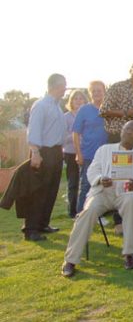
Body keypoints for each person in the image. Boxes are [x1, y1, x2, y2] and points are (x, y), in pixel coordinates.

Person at [61, 121, 133, 277]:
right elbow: (92, 171)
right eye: (125, 129)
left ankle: (129, 255)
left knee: (131, 202)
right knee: (88, 211)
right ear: (121, 132)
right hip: (103, 192)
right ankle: (70, 260)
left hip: (126, 193)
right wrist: (100, 178)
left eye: (132, 130)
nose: (127, 132)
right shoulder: (104, 150)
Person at [24, 73, 67, 241]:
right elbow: (33, 131)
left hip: (56, 152)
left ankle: (43, 224)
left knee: (51, 190)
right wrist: (35, 153)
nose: (65, 88)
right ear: (57, 85)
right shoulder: (41, 105)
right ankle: (31, 229)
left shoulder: (56, 106)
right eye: (64, 85)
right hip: (43, 152)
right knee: (39, 191)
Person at [73, 81, 109, 214]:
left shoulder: (108, 109)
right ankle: (81, 214)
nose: (97, 93)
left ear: (104, 91)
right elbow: (75, 133)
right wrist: (78, 153)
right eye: (94, 91)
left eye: (99, 90)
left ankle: (98, 214)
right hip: (88, 154)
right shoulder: (84, 110)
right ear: (90, 93)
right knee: (86, 185)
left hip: (105, 155)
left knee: (103, 186)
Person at [100, 61, 133, 144]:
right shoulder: (117, 87)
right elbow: (103, 111)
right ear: (130, 71)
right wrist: (126, 113)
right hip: (118, 136)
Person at [63, 89, 88, 218]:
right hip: (71, 153)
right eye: (75, 98)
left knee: (86, 182)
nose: (78, 101)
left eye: (81, 98)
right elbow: (62, 137)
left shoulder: (87, 115)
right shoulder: (66, 117)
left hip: (86, 152)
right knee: (73, 182)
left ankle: (85, 208)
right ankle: (72, 211)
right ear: (71, 101)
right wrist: (76, 135)